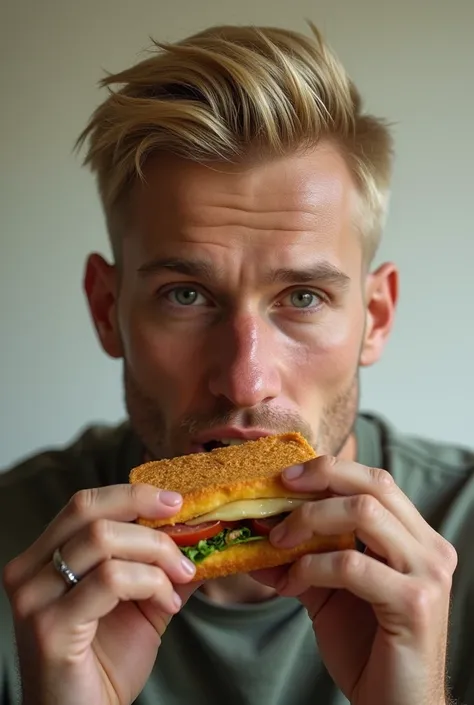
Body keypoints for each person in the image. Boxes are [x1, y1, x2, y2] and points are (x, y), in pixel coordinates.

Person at [1, 20, 473, 705]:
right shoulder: (18, 551)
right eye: (186, 295)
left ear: (376, 316)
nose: (245, 379)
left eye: (303, 296)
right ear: (108, 309)